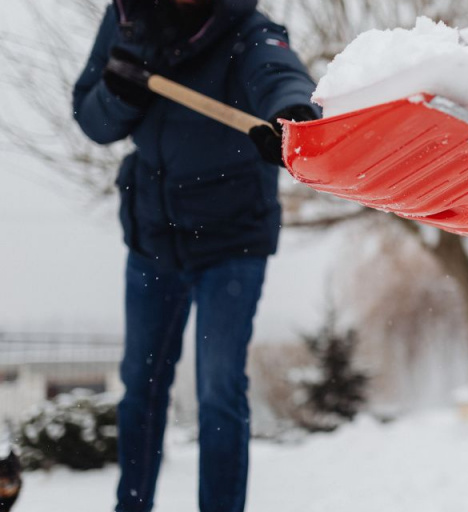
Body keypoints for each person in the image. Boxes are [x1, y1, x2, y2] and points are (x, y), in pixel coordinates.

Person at [72, 1, 320, 511]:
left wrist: (292, 117)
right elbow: (92, 117)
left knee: (218, 389)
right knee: (141, 387)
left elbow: (279, 74)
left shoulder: (245, 26)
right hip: (153, 235)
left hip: (231, 238)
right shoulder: (127, 17)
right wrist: (119, 94)